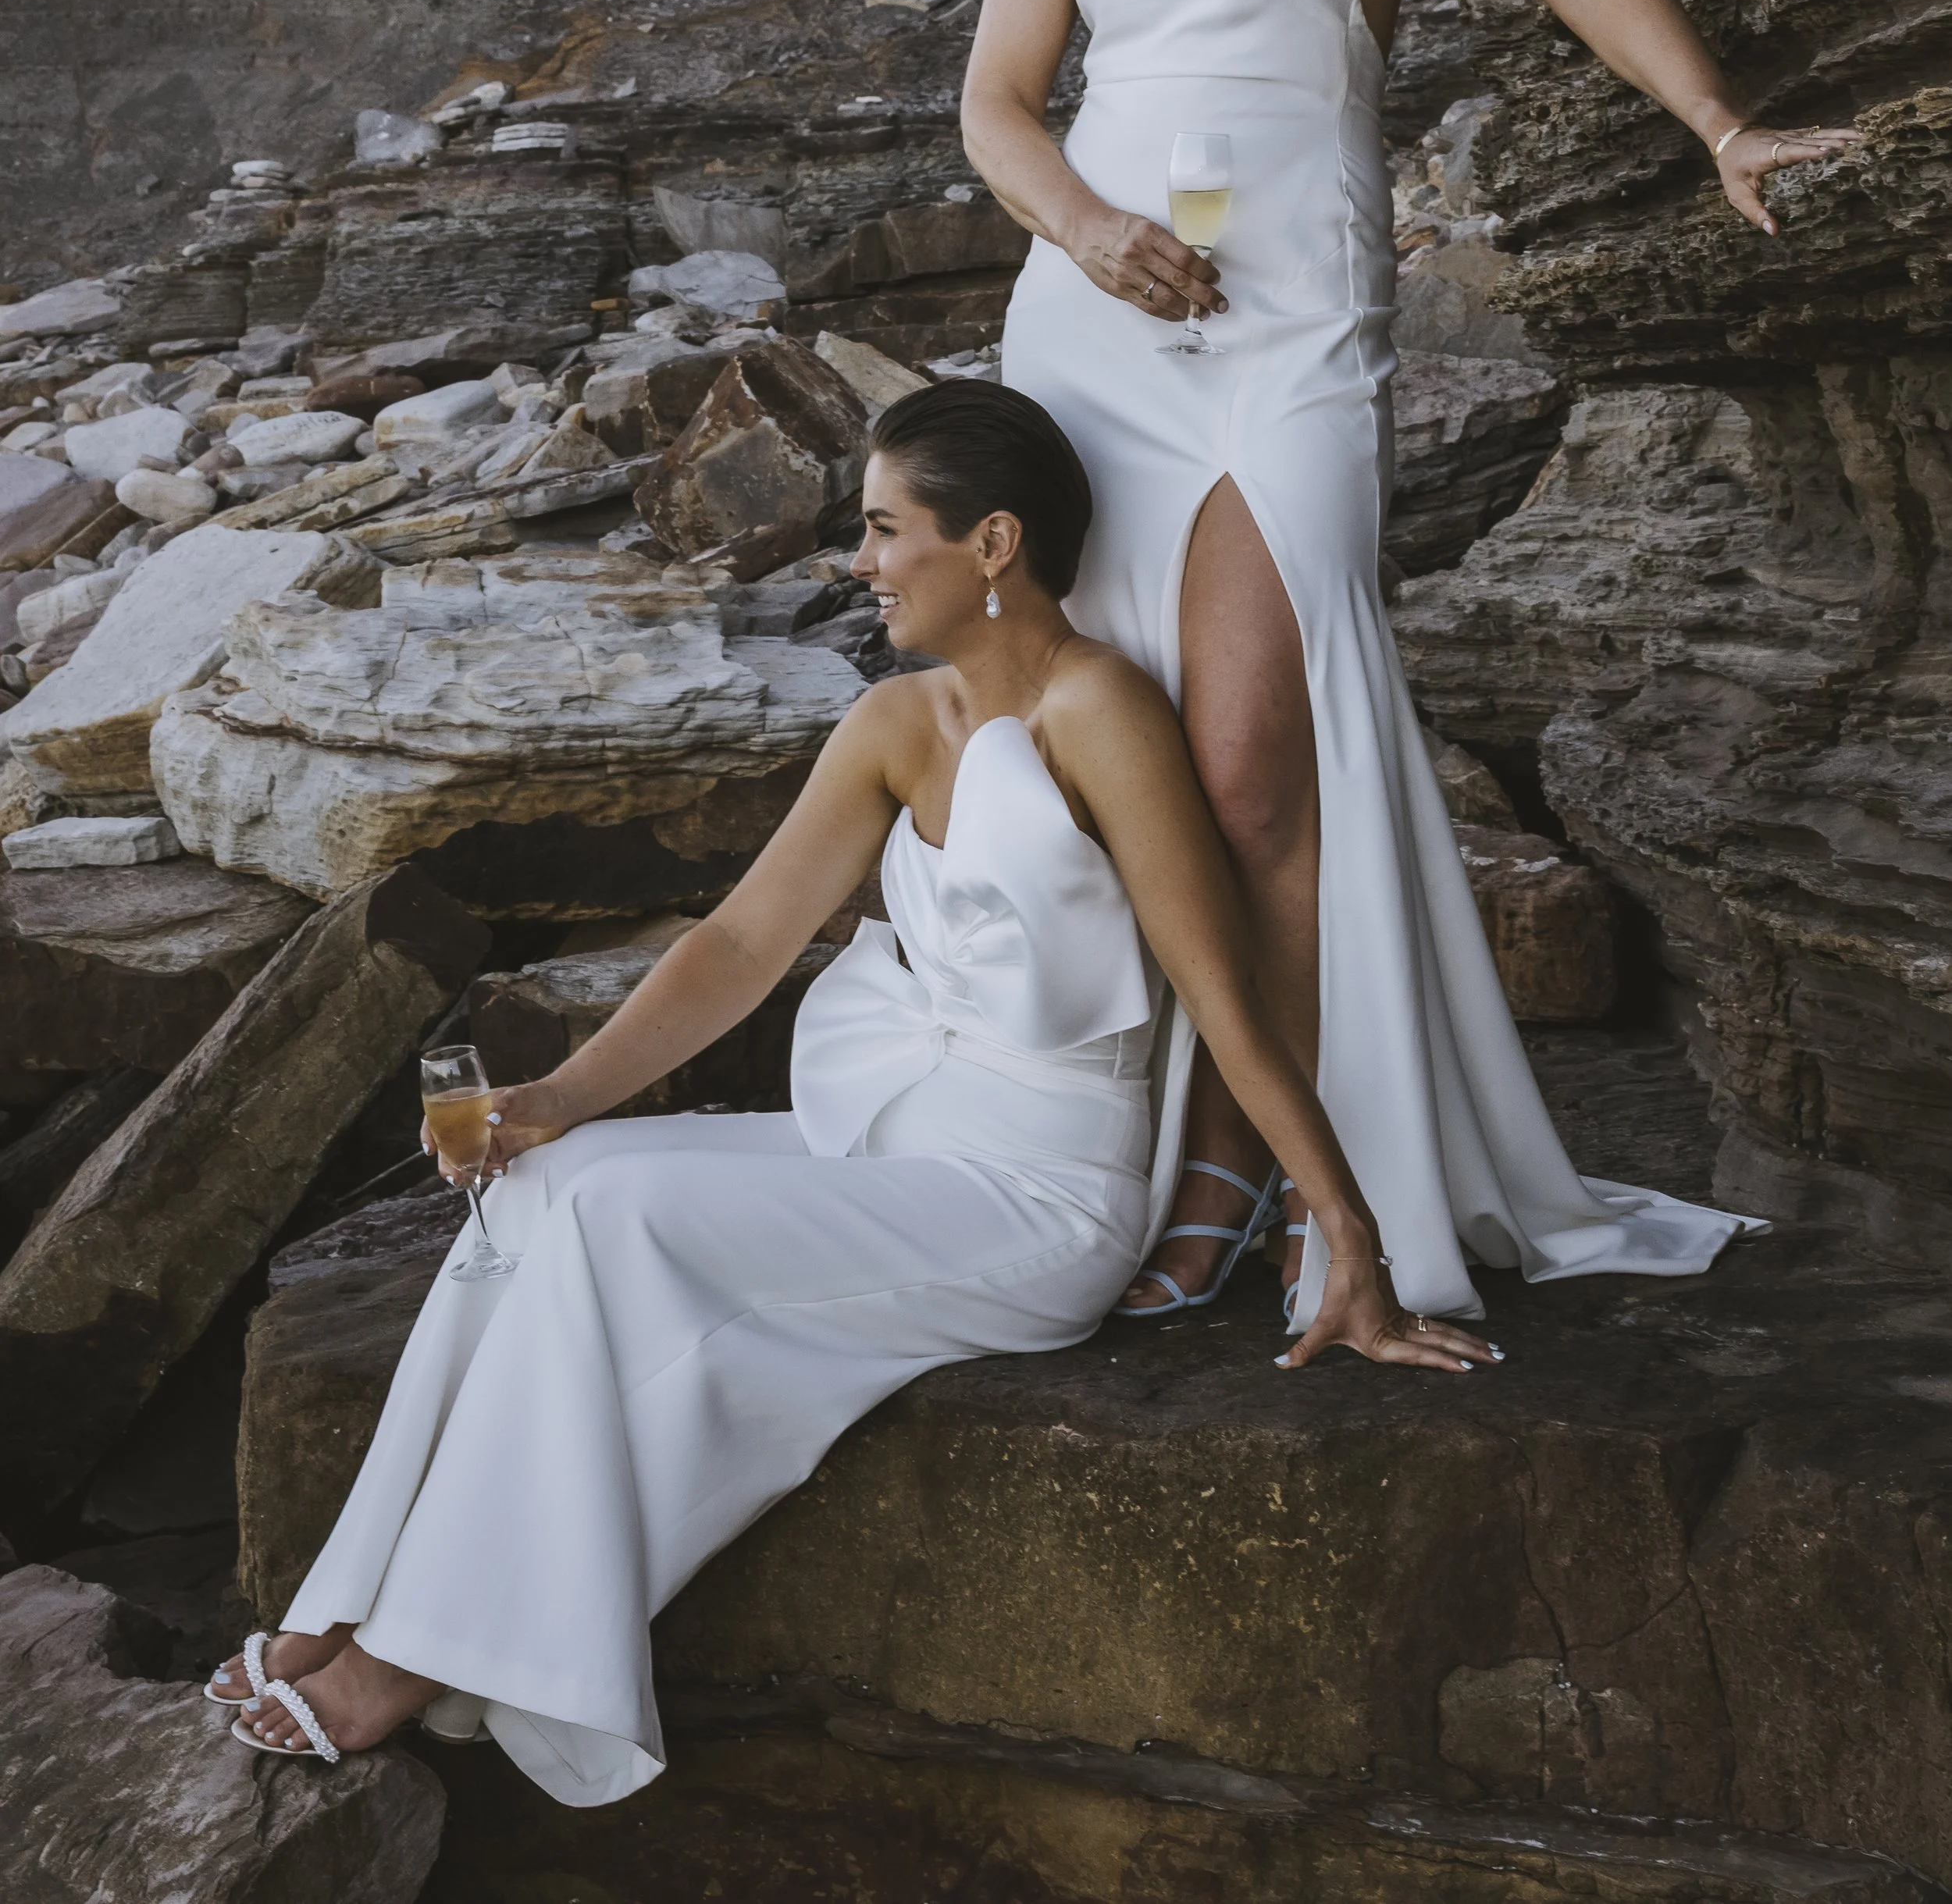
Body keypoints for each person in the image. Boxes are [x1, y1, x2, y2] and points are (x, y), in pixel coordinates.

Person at [208, 382, 1495, 1805]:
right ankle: (356, 1593)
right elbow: (743, 943)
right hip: (890, 1143)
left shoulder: (1100, 713)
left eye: (886, 530)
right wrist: (560, 1097)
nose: (862, 561)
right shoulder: (895, 721)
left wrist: (1350, 1244)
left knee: (622, 1234)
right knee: (555, 1189)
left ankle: (421, 1658)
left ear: (993, 541)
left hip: (1036, 1199)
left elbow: (1225, 996)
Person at [964, 0, 1854, 1332]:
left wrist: (1713, 119)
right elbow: (994, 103)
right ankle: (1176, 1166)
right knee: (1122, 778)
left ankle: (1287, 1187)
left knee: (1250, 767)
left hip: (1289, 317)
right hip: (1097, 327)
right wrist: (1089, 233)